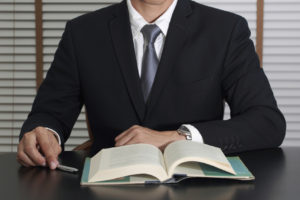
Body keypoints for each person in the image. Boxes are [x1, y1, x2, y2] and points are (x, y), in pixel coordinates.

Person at [17, 0, 286, 170]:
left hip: (199, 185)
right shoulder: (83, 32)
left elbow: (267, 122)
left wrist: (177, 137)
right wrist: (43, 135)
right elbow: (49, 114)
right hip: (108, 183)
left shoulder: (225, 30)